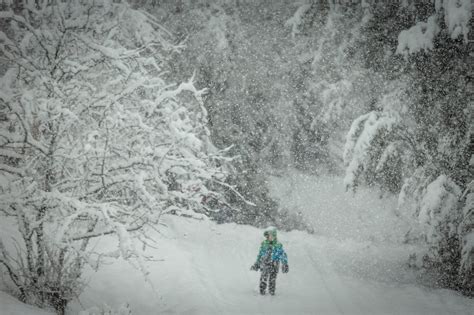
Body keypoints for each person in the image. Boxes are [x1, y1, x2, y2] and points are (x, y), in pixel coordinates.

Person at [250, 227, 289, 295]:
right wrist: (257, 263)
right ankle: (262, 291)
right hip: (265, 263)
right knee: (263, 277)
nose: (269, 237)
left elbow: (282, 255)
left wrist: (284, 263)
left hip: (274, 264)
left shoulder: (278, 245)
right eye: (268, 235)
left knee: (272, 279)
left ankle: (272, 291)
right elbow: (260, 254)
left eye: (271, 235)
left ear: (274, 235)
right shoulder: (264, 244)